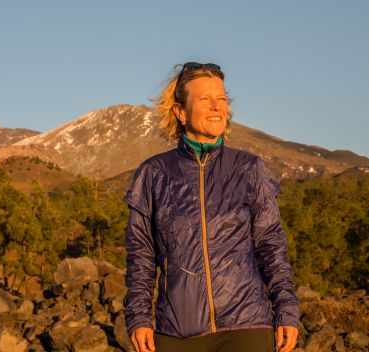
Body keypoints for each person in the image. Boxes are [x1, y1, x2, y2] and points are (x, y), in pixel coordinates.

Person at [123, 62, 300, 352]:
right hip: (177, 331)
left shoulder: (248, 169)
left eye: (222, 98)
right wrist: (139, 317)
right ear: (180, 112)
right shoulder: (153, 174)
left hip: (248, 328)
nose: (217, 106)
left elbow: (271, 245)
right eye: (205, 99)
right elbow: (141, 255)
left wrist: (287, 310)